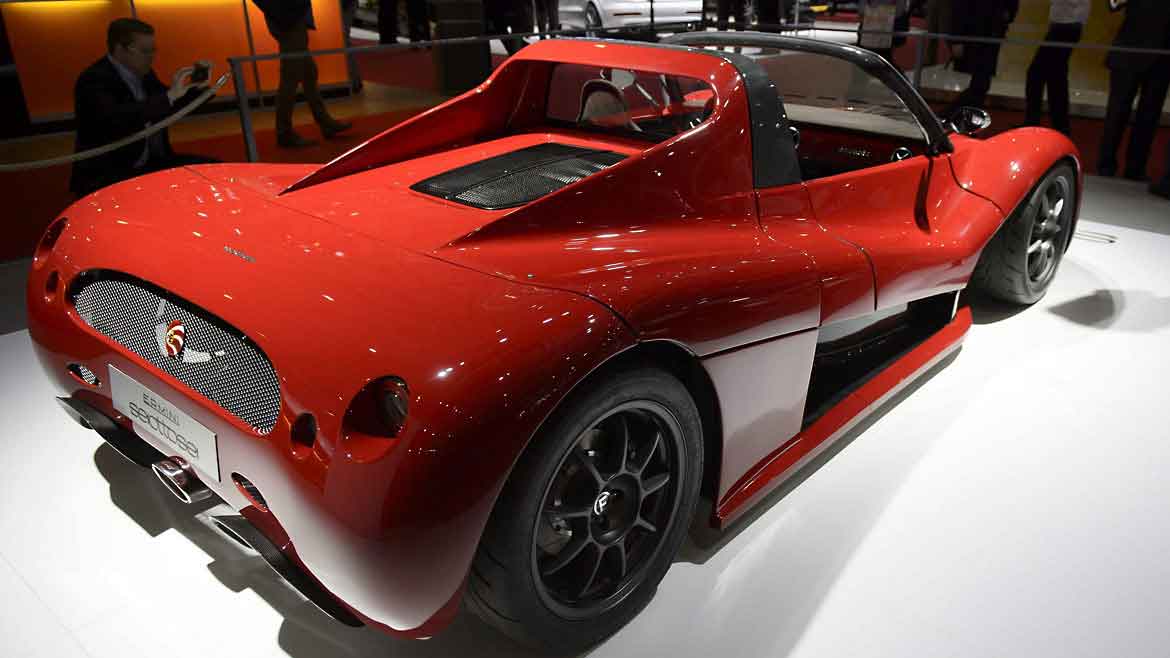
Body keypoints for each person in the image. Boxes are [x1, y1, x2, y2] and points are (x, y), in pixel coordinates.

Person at [70, 18, 218, 197]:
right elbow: (117, 120)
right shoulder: (93, 79)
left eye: (153, 50)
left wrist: (198, 88)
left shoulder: (145, 74)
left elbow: (169, 107)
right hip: (111, 172)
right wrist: (170, 96)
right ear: (119, 49)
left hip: (152, 164)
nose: (152, 56)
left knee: (214, 171)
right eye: (145, 51)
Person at [251, 0, 352, 148]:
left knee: (308, 73)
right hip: (290, 19)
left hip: (289, 18)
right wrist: (286, 13)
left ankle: (324, 121)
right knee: (291, 77)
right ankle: (285, 132)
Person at [1097, 0, 1170, 180]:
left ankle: (1135, 169)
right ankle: (1105, 166)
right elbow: (1114, 4)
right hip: (1128, 52)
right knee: (1117, 113)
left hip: (1162, 59)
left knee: (1149, 117)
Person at [1024, 0, 1090, 136]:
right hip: (1067, 25)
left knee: (1038, 75)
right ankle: (1059, 126)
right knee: (1055, 77)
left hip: (1066, 25)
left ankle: (1035, 123)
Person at [947, 0, 1019, 117]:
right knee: (981, 83)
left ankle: (958, 115)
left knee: (981, 82)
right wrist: (956, 38)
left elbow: (1011, 6)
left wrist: (1008, 14)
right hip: (973, 32)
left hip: (992, 33)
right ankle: (955, 114)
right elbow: (959, 7)